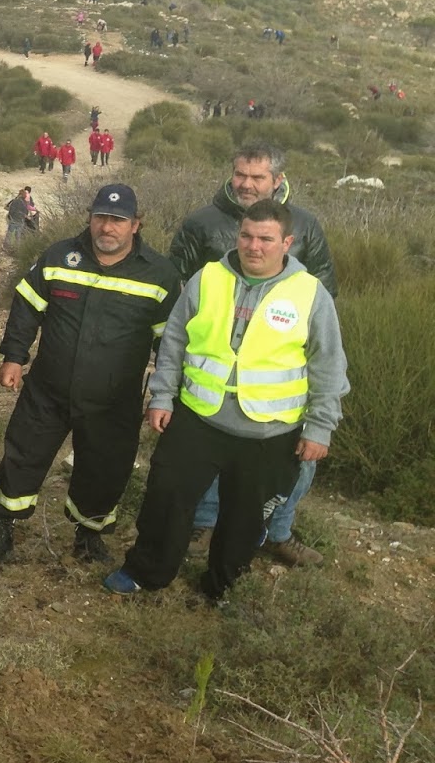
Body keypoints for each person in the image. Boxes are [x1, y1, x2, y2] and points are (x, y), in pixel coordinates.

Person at [105, 201, 349, 601]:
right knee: (166, 497)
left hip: (270, 432)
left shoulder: (310, 293)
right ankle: (146, 571)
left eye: (266, 239)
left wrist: (320, 427)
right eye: (247, 236)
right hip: (198, 418)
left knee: (244, 520)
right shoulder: (208, 278)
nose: (254, 246)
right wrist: (162, 396)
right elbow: (175, 341)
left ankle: (223, 587)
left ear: (287, 242)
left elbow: (329, 366)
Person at [0, 185, 180, 564]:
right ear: (90, 217)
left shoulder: (160, 275)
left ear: (136, 225)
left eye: (118, 220)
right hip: (48, 391)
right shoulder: (58, 256)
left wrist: (165, 395)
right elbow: (27, 307)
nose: (107, 227)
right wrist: (14, 357)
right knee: (22, 456)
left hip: (113, 400)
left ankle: (89, 537)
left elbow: (170, 342)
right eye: (101, 217)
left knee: (105, 470)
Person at [168, 143, 337, 565]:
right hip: (209, 375)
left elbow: (323, 293)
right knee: (210, 452)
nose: (245, 183)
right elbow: (175, 289)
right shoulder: (201, 223)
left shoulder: (306, 226)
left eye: (256, 177)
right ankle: (204, 525)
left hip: (277, 381)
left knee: (292, 462)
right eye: (240, 173)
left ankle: (275, 531)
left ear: (277, 181)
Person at [4, 186, 36, 251]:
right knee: (18, 236)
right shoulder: (25, 203)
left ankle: (6, 247)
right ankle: (18, 249)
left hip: (13, 220)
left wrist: (11, 218)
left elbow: (11, 211)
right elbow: (26, 211)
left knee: (9, 234)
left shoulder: (15, 201)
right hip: (20, 221)